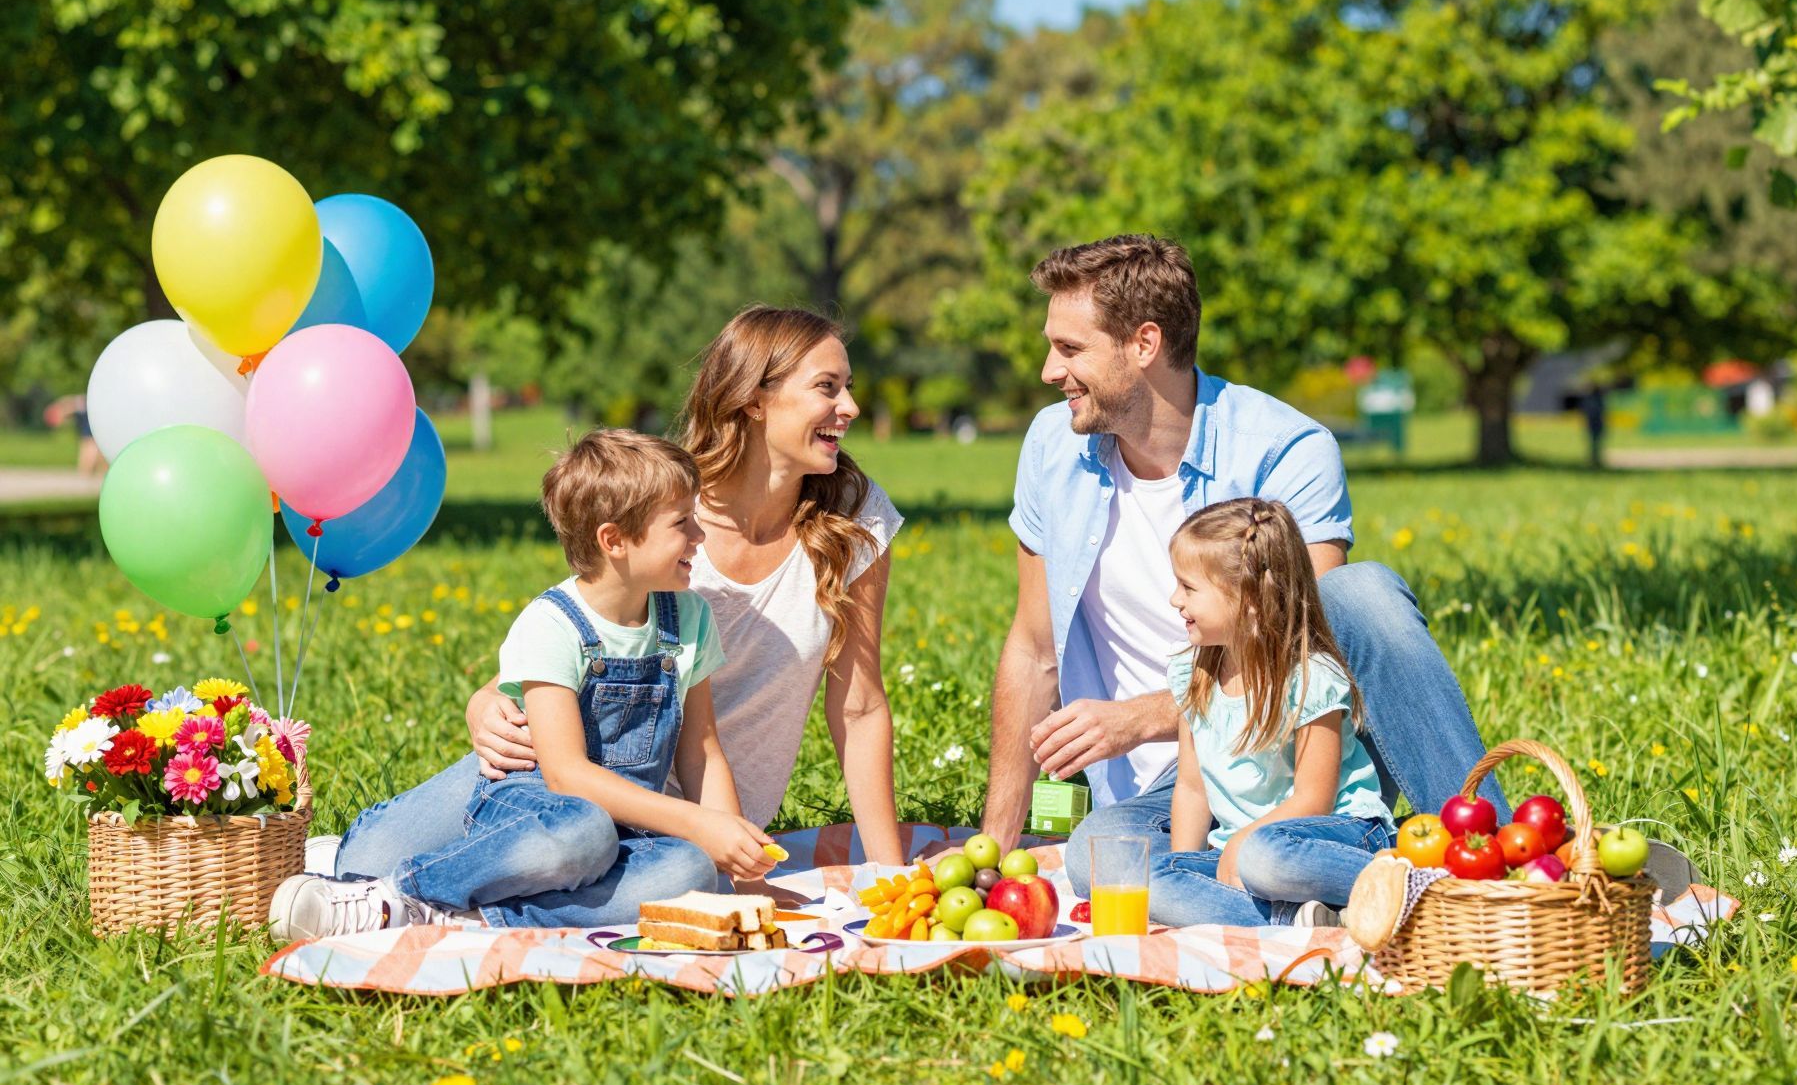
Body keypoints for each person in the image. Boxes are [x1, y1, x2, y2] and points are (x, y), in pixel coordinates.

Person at [980, 234, 1506, 894]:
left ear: (1144, 344)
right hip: (1174, 787)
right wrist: (990, 852)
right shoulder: (1051, 446)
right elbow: (1033, 651)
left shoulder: (1287, 449)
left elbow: (1303, 646)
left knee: (1361, 592)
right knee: (1099, 861)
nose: (1048, 371)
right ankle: (1340, 892)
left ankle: (1502, 863)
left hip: (1299, 753)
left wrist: (1141, 716)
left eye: (1069, 349)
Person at [324, 307, 909, 884]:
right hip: (565, 782)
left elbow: (859, 708)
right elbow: (575, 630)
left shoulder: (854, 518)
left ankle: (462, 890)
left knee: (657, 879)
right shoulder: (664, 504)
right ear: (755, 399)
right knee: (367, 863)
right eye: (827, 387)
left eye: (849, 387)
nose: (850, 407)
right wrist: (485, 701)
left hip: (701, 827)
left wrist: (890, 875)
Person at [270, 430, 768, 939]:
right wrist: (696, 823)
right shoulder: (553, 625)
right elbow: (567, 777)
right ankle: (398, 889)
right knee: (583, 830)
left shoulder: (689, 620)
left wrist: (741, 874)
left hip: (621, 836)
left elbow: (701, 752)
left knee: (692, 873)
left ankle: (459, 915)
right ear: (614, 540)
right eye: (682, 522)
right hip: (532, 812)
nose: (699, 535)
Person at [1151, 498, 1392, 926]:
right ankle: (1296, 918)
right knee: (1155, 879)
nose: (1175, 599)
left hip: (1333, 836)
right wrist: (1185, 866)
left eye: (1188, 587)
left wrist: (1245, 841)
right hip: (1241, 850)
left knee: (1264, 858)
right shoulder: (1192, 673)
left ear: (1248, 599)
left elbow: (1314, 799)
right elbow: (1191, 788)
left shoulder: (1310, 678)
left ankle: (1403, 882)